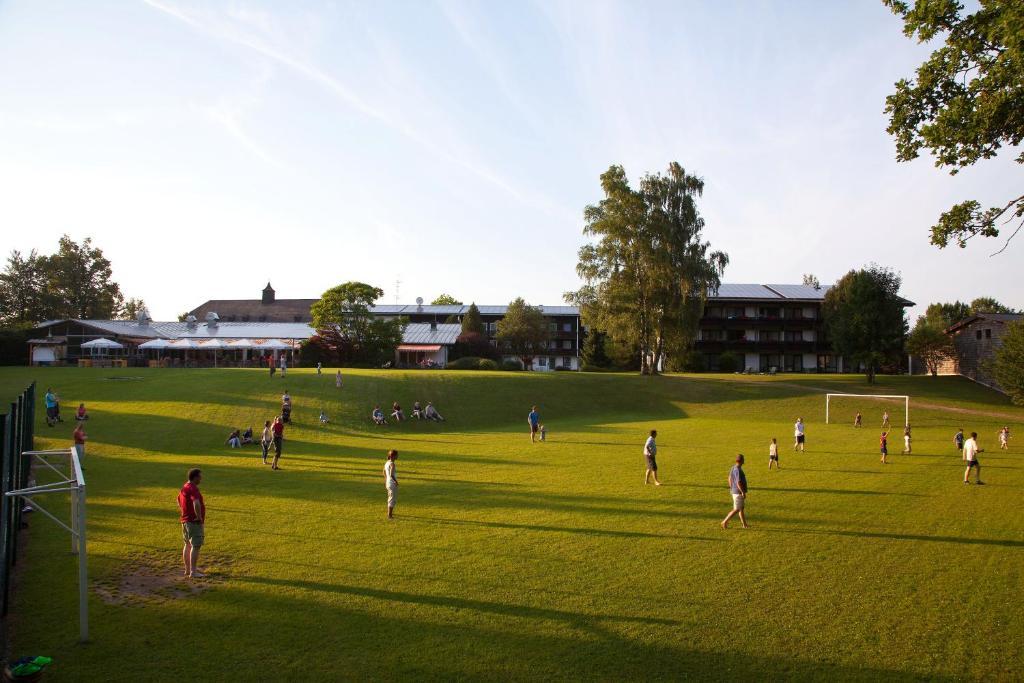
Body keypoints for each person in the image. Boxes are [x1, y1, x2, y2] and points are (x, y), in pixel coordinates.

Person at [178, 468, 206, 578]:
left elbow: (178, 500)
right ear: (195, 478)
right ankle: (193, 572)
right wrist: (198, 517)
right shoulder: (193, 489)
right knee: (196, 545)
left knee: (187, 544)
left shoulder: (185, 487)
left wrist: (185, 511)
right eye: (200, 477)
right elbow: (196, 503)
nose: (201, 479)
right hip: (193, 522)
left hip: (185, 521)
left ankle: (187, 569)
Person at [721, 454, 749, 529]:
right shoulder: (738, 470)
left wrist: (731, 487)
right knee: (736, 509)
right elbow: (738, 482)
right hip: (738, 493)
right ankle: (725, 521)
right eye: (743, 459)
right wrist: (742, 492)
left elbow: (729, 478)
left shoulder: (733, 467)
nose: (744, 460)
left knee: (741, 508)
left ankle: (744, 524)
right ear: (742, 460)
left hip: (735, 491)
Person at [384, 449, 399, 519]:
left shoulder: (387, 463)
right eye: (397, 455)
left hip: (388, 483)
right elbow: (391, 474)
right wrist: (395, 481)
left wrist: (386, 480)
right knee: (392, 499)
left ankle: (389, 513)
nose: (398, 456)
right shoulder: (392, 464)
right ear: (393, 456)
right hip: (392, 484)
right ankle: (389, 515)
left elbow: (384, 472)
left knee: (390, 498)